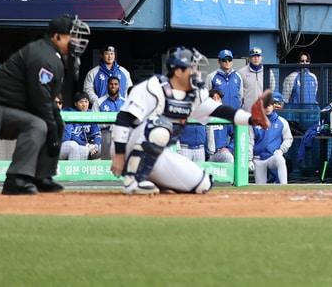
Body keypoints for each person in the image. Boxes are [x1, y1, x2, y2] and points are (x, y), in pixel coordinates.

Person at [111, 47, 271, 195]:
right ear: (178, 71)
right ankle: (132, 181)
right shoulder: (153, 86)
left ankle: (157, 183)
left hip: (157, 154)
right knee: (160, 127)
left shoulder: (193, 94)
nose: (196, 72)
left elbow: (220, 110)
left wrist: (252, 119)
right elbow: (124, 118)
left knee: (203, 184)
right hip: (127, 146)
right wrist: (119, 155)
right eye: (192, 68)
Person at [0, 13, 88, 194]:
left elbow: (45, 100)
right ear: (56, 37)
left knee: (57, 122)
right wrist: (52, 133)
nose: (76, 40)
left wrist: (55, 126)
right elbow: (40, 99)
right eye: (71, 35)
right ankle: (16, 178)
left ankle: (42, 176)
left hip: (14, 108)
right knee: (38, 125)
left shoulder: (53, 55)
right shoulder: (43, 55)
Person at [252, 94, 292, 184]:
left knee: (280, 160)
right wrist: (249, 158)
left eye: (269, 105)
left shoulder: (282, 121)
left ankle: (284, 187)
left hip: (273, 156)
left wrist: (281, 150)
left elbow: (288, 139)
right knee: (260, 187)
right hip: (258, 158)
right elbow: (249, 141)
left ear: (273, 106)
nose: (267, 108)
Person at [59, 94, 100, 161]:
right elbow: (72, 136)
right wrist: (86, 145)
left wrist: (96, 145)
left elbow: (97, 134)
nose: (84, 104)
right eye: (81, 102)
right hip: (75, 144)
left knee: (102, 148)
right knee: (83, 149)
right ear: (75, 104)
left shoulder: (91, 114)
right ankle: (77, 168)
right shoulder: (70, 114)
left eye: (86, 102)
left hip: (89, 145)